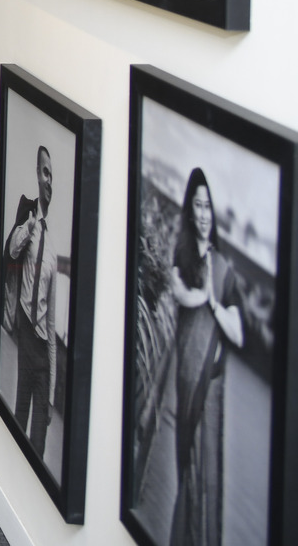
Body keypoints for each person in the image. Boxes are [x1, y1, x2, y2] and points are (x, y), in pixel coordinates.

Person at [168, 167, 247, 546]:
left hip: (210, 388)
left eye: (208, 207)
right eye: (197, 206)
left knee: (207, 475)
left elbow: (238, 334)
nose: (203, 214)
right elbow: (179, 293)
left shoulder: (224, 270)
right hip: (186, 381)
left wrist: (213, 303)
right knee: (188, 471)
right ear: (190, 210)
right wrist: (200, 295)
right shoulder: (183, 255)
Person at [3, 146, 59, 456]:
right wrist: (30, 225)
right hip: (25, 333)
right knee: (19, 417)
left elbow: (51, 323)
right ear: (38, 175)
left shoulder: (52, 250)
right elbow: (12, 250)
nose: (49, 180)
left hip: (41, 350)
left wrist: (51, 395)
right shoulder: (29, 221)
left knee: (38, 440)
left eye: (53, 175)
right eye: (45, 172)